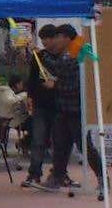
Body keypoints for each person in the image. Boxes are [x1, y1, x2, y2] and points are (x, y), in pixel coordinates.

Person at [27, 24, 84, 191]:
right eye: (42, 39)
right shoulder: (42, 56)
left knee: (68, 143)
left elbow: (58, 68)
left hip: (64, 107)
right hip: (46, 106)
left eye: (49, 38)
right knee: (44, 141)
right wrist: (31, 96)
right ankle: (40, 174)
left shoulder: (68, 56)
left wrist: (55, 84)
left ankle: (60, 175)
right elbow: (33, 78)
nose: (45, 42)